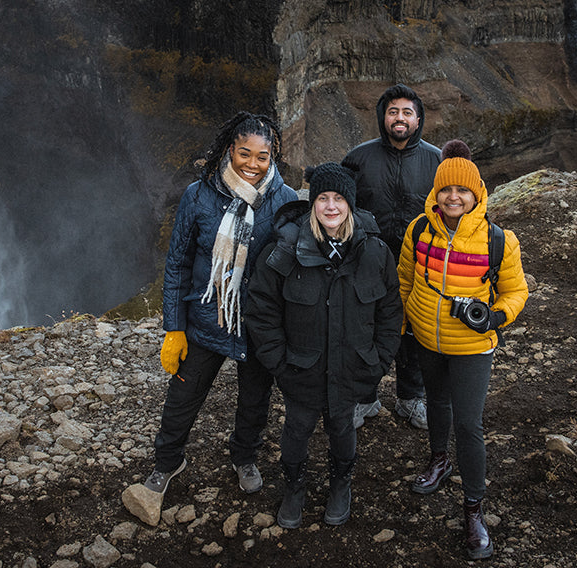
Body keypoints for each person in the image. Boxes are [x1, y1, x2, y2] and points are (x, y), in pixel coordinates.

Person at [123, 112, 298, 525]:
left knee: (255, 400)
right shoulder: (198, 196)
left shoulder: (285, 198)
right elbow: (178, 264)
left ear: (272, 156)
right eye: (244, 154)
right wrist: (174, 328)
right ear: (228, 150)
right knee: (183, 399)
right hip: (207, 320)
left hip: (259, 323)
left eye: (262, 156)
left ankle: (245, 457)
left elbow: (295, 265)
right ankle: (167, 463)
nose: (253, 164)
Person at [246, 163, 402, 528]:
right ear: (312, 202)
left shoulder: (375, 252)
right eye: (322, 198)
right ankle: (295, 487)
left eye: (338, 198)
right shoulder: (285, 249)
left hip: (352, 369)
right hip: (301, 369)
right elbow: (262, 310)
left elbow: (391, 312)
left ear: (350, 203)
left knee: (342, 428)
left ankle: (340, 484)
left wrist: (378, 362)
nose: (331, 207)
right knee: (296, 431)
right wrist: (279, 364)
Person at [397, 140, 530, 560]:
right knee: (435, 402)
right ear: (435, 193)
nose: (453, 197)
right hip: (427, 338)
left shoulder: (498, 241)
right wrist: (403, 326)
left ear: (477, 194)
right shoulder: (418, 230)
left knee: (469, 425)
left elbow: (516, 292)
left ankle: (474, 509)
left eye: (463, 191)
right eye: (445, 190)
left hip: (472, 346)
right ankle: (439, 460)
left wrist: (494, 318)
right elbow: (405, 279)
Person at [341, 83, 440, 430]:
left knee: (413, 330)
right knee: (365, 329)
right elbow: (340, 206)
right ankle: (365, 398)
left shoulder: (436, 160)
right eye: (393, 111)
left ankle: (410, 399)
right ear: (384, 117)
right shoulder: (358, 157)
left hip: (420, 263)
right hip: (368, 261)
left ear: (418, 119)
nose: (400, 118)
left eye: (407, 112)